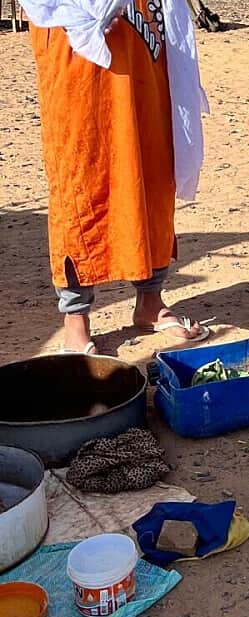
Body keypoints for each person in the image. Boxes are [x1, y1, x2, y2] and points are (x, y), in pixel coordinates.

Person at [22, 0, 211, 354]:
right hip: (74, 45)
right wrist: (79, 17)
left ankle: (150, 300)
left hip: (143, 32)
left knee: (152, 167)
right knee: (81, 173)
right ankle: (75, 317)